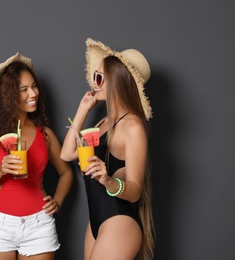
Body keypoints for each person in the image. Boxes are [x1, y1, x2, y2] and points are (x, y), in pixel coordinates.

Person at [0, 53, 73, 260]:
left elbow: (66, 173)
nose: (33, 93)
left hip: (39, 226)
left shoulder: (45, 134)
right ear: (8, 96)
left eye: (34, 86)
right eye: (23, 90)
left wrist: (58, 201)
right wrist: (0, 170)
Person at [60, 39, 154, 260]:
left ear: (119, 82)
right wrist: (82, 109)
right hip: (97, 222)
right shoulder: (103, 123)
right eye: (95, 76)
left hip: (119, 221)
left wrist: (109, 181)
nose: (95, 83)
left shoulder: (132, 126)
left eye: (100, 78)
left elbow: (135, 191)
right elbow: (66, 153)